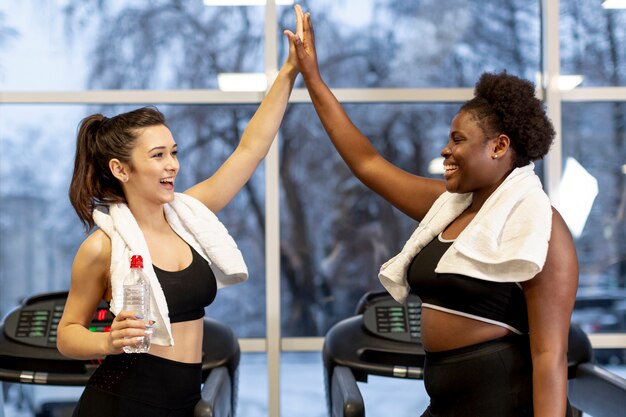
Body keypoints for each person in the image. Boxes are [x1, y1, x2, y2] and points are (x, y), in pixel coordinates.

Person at [285, 7, 578, 417]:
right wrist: (313, 78)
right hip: (446, 400)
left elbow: (550, 357)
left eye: (458, 139)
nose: (445, 150)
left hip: (503, 402)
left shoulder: (542, 229)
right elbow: (367, 163)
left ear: (498, 146)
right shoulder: (450, 207)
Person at [57, 7, 304, 417]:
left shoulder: (190, 217)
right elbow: (67, 334)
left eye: (173, 152)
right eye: (158, 155)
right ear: (121, 169)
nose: (172, 164)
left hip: (184, 399)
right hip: (124, 402)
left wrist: (289, 72)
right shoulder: (102, 248)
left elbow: (249, 150)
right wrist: (106, 341)